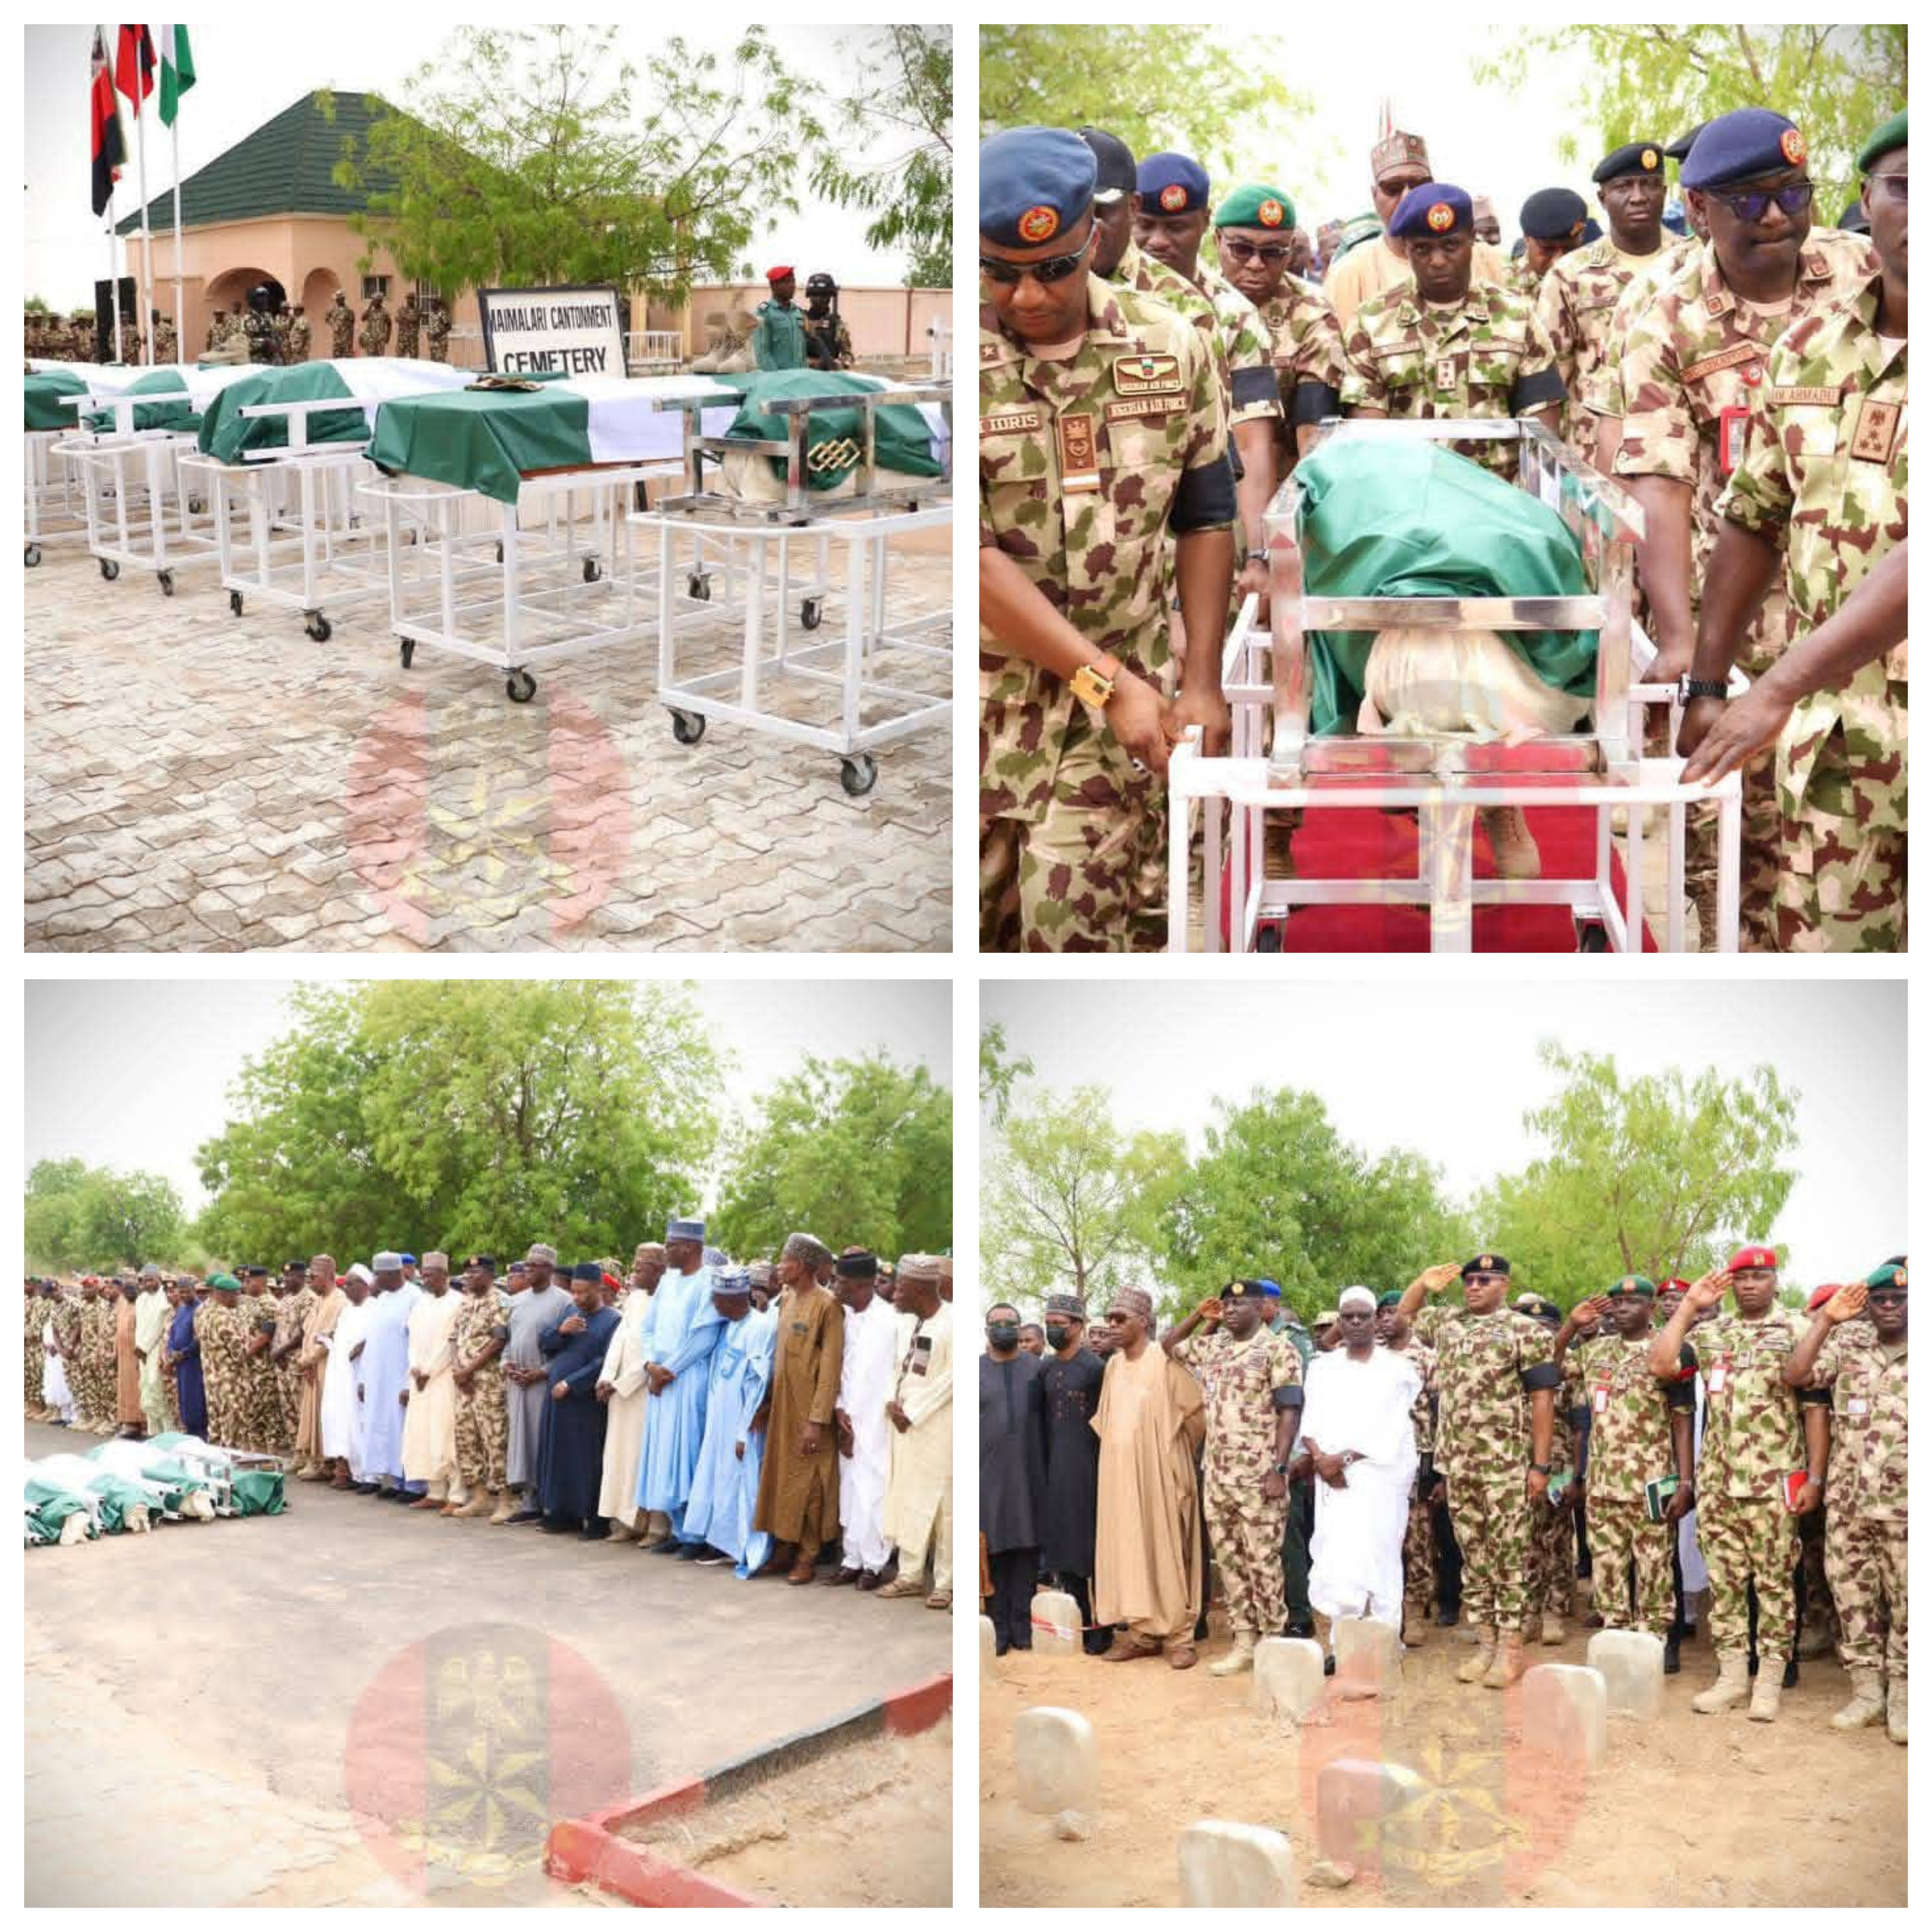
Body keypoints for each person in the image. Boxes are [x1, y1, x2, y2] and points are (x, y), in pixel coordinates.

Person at [1613, 108, 1879, 951]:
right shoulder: (1663, 318)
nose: (1778, 217)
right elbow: (1657, 479)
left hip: (1869, 614)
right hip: (1739, 623)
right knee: (1735, 854)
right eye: (1751, 200)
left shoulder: (1863, 270)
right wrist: (1685, 639)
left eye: (1793, 193)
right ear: (1696, 210)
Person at [978, 125, 1235, 953]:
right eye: (999, 274)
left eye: (1053, 269)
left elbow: (1205, 516)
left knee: (1079, 947)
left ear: (1094, 237)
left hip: (1118, 718)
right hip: (989, 715)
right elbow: (970, 561)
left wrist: (1200, 679)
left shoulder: (1171, 347)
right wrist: (1106, 683)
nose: (1026, 297)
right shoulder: (957, 369)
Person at [1680, 108, 1908, 953]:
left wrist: (1772, 689)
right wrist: (1707, 687)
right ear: (1867, 201)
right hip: (1837, 751)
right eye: (1902, 188)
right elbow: (1752, 517)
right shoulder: (1811, 348)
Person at [1649, 1249, 1820, 1720]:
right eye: (1741, 1278)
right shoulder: (1711, 1334)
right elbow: (1662, 1366)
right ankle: (1731, 1676)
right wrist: (1687, 1307)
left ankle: (1768, 1680)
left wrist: (1815, 1478)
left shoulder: (1796, 1330)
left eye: (1759, 1276)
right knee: (1725, 1583)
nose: (1749, 1285)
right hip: (1720, 1482)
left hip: (1773, 1481)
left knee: (1774, 1585)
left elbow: (1810, 1396)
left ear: (1774, 1281)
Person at [1397, 1256, 1560, 1688]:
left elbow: (1544, 1398)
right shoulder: (1449, 1324)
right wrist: (1422, 1283)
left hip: (1507, 1465)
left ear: (1504, 1284)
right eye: (1469, 1281)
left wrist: (1540, 1465)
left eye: (1484, 1280)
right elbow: (1403, 1318)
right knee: (1475, 1559)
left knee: (1509, 1559)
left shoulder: (1525, 1330)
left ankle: (1510, 1649)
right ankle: (1485, 1643)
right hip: (1459, 1465)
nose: (1473, 1287)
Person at [1135, 152, 1284, 616]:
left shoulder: (1233, 316)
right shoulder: (1094, 303)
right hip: (1122, 552)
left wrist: (1259, 555)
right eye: (1146, 225)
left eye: (1176, 227)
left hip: (1204, 546)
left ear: (1204, 223)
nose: (1158, 241)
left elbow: (1253, 444)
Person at [1340, 182, 1566, 478]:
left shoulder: (1517, 318)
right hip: (1407, 498)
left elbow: (1543, 434)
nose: (1437, 260)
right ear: (1406, 248)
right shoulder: (1372, 322)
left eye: (1451, 245)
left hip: (1499, 502)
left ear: (1472, 240)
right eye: (1422, 249)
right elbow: (1369, 438)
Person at [1783, 1264, 1907, 1742]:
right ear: (1868, 1305)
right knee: (1853, 1599)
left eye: (1899, 1300)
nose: (1890, 1307)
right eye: (1880, 1300)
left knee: (1909, 1605)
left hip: (1907, 1508)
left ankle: (1902, 1697)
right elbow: (1796, 1374)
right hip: (1849, 1502)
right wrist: (1825, 1321)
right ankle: (1865, 1695)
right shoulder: (1847, 1344)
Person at [1165, 1279, 1304, 1676]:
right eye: (1226, 1303)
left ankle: (1273, 1642)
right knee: (1230, 1563)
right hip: (1219, 1474)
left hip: (1260, 1477)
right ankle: (1244, 1643)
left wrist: (1280, 1469)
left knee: (1264, 1562)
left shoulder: (1280, 1350)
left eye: (1240, 1304)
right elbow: (1170, 1345)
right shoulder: (1216, 1347)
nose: (1230, 1309)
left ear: (1262, 1309)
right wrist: (1199, 1315)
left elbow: (1289, 1413)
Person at [1557, 1276, 1698, 1661]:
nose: (1621, 1309)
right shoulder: (1594, 1351)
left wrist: (1686, 1483)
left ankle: (1656, 1646)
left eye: (1632, 1302)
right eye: (1616, 1303)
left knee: (1655, 1568)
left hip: (1651, 1484)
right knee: (1607, 1568)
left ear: (1651, 1309)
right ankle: (1616, 1644)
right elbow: (1549, 1368)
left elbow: (1683, 1419)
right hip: (1604, 1486)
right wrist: (1570, 1326)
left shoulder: (1671, 1351)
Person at [1297, 1287, 1423, 1655]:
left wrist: (1344, 1460)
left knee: (1381, 1557)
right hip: (1332, 1480)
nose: (1355, 1323)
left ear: (1375, 1321)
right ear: (1339, 1322)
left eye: (1363, 1316)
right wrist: (1322, 1460)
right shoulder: (1323, 1369)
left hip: (1378, 1477)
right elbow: (1311, 1423)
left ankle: (1385, 1643)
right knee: (1340, 1560)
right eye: (1348, 1317)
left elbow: (1391, 1429)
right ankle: (1343, 1645)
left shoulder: (1397, 1369)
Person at [1086, 1285, 1207, 1666]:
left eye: (1121, 1319)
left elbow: (1196, 1416)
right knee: (1129, 1550)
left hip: (1161, 1471)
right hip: (1120, 1475)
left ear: (1145, 1322)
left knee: (1167, 1548)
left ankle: (1178, 1637)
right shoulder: (1113, 1366)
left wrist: (1174, 1461)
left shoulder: (1166, 1360)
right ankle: (1141, 1633)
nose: (1113, 1326)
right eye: (1110, 1319)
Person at [1534, 140, 1671, 466]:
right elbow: (1550, 380)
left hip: (1677, 449)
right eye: (1624, 187)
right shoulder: (1570, 275)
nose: (1638, 196)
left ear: (1665, 193)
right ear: (1602, 198)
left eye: (1650, 185)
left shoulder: (1693, 264)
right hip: (1596, 454)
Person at [1212, 182, 1348, 477]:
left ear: (1289, 254)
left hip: (1281, 484)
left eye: (1273, 253)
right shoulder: (1189, 303)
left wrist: (1294, 506)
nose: (1256, 264)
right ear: (1217, 241)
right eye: (1242, 249)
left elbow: (1315, 432)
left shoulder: (1313, 312)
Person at [1323, 129, 1515, 327]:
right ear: (1374, 196)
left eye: (1418, 185)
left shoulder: (1490, 261)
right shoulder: (1349, 274)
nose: (1407, 196)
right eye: (1393, 188)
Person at [752, 1232, 845, 1581]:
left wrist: (817, 1420)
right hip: (782, 1409)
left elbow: (831, 1367)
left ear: (803, 1266)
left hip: (810, 1412)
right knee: (779, 1478)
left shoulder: (828, 1305)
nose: (779, 1267)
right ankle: (784, 1548)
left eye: (785, 1261)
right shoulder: (787, 1299)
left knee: (810, 1484)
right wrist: (767, 1403)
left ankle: (807, 1556)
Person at [682, 1269, 779, 1576]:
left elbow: (758, 1383)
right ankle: (717, 1541)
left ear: (734, 1298)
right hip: (720, 1417)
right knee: (717, 1480)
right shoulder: (728, 1326)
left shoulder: (762, 1327)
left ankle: (738, 1547)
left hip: (742, 1422)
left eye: (717, 1298)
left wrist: (743, 1430)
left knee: (739, 1483)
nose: (713, 1303)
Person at [637, 1218, 724, 1550]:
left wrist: (666, 1370)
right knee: (663, 1455)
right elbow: (648, 1329)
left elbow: (703, 1337)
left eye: (671, 1245)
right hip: (661, 1379)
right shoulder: (669, 1282)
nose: (666, 1251)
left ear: (691, 1248)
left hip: (687, 1379)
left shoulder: (709, 1282)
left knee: (687, 1453)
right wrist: (650, 1365)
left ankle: (695, 1534)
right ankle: (677, 1530)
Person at [879, 1254, 954, 1606]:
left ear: (921, 1290)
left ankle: (946, 1583)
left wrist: (913, 1411)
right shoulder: (908, 1323)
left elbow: (952, 1380)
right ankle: (909, 1575)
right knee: (909, 1498)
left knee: (944, 1507)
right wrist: (890, 1403)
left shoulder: (953, 1323)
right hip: (904, 1428)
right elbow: (898, 1369)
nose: (894, 1293)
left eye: (901, 1288)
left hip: (937, 1429)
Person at [1038, 1293, 1109, 1653]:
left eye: (1060, 1324)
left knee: (1093, 1551)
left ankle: (1103, 1626)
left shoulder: (1096, 1369)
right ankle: (1078, 1624)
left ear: (1079, 1326)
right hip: (1056, 1472)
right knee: (1064, 1550)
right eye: (1049, 1322)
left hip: (1091, 1471)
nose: (1053, 1329)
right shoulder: (1046, 1370)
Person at [533, 1264, 622, 1538]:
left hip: (586, 1402)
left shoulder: (613, 1320)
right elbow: (545, 1344)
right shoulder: (571, 1313)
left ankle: (595, 1520)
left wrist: (571, 1383)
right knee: (558, 1457)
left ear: (599, 1289)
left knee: (586, 1459)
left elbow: (605, 1362)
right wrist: (561, 1331)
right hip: (558, 1402)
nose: (578, 1297)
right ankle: (563, 1514)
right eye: (574, 1291)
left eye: (583, 1292)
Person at [981, 1300, 1049, 1653]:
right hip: (987, 1478)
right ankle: (999, 1628)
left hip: (1029, 1474)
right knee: (993, 1551)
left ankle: (1023, 1626)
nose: (1003, 1328)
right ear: (986, 1330)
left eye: (1010, 1323)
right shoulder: (974, 1370)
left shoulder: (1037, 1369)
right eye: (997, 1323)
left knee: (1025, 1550)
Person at [1374, 1290, 1441, 1646]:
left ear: (1410, 1316)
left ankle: (1415, 1610)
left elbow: (1440, 1410)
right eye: (1381, 1314)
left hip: (1417, 1458)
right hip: (1376, 1460)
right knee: (1382, 1537)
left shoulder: (1427, 1357)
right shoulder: (1372, 1356)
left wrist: (1437, 1467)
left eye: (1392, 1312)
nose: (1386, 1319)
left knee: (1417, 1539)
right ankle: (1387, 1610)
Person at [830, 1249, 898, 1588]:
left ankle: (875, 1564)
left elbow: (891, 1375)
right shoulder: (842, 1315)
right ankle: (852, 1559)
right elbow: (842, 1370)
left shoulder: (890, 1320)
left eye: (841, 1282)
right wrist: (840, 1408)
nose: (836, 1287)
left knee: (875, 1489)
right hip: (846, 1416)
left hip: (877, 1422)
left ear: (861, 1284)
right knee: (850, 1489)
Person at [502, 1243, 572, 1524]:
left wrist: (543, 1372)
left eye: (534, 1266)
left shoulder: (565, 1301)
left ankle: (548, 1503)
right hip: (517, 1383)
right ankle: (529, 1503)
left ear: (549, 1269)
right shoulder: (517, 1301)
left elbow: (570, 1349)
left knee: (541, 1442)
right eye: (527, 1265)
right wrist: (506, 1364)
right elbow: (509, 1340)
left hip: (543, 1383)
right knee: (520, 1443)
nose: (527, 1270)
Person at [593, 1247, 657, 1541]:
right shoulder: (634, 1298)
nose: (634, 1273)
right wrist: (607, 1377)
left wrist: (623, 1383)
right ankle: (624, 1521)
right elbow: (620, 1339)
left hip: (644, 1391)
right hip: (619, 1391)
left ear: (658, 1269)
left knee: (638, 1457)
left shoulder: (665, 1301)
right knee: (619, 1457)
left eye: (640, 1268)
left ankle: (646, 1523)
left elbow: (654, 1351)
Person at [447, 1257, 511, 1519]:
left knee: (495, 1440)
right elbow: (453, 1339)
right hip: (464, 1383)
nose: (469, 1277)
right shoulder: (466, 1302)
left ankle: (507, 1500)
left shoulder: (499, 1300)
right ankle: (480, 1497)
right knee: (466, 1437)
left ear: (489, 1275)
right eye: (467, 1273)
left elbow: (498, 1341)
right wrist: (457, 1371)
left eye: (475, 1272)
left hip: (488, 1382)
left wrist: (468, 1370)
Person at [401, 1253, 464, 1512]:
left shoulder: (458, 1302)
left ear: (444, 1275)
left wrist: (430, 1370)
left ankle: (457, 1495)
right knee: (423, 1435)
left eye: (430, 1275)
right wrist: (416, 1368)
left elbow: (452, 1343)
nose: (425, 1279)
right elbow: (412, 1340)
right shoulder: (421, 1304)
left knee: (446, 1435)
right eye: (424, 1275)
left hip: (443, 1379)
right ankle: (435, 1492)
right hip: (420, 1380)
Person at [359, 1252, 423, 1501]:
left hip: (401, 1378)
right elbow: (372, 1341)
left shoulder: (414, 1298)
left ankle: (414, 1486)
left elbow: (417, 1343)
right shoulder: (381, 1299)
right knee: (384, 1429)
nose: (376, 1279)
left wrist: (409, 1383)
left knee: (404, 1430)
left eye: (379, 1274)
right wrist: (363, 1379)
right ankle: (395, 1482)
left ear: (394, 1273)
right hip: (378, 1378)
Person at [320, 1264, 375, 1490]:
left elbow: (375, 1338)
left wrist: (363, 1346)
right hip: (340, 1374)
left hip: (362, 1375)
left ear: (364, 1285)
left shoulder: (374, 1308)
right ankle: (344, 1470)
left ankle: (364, 1474)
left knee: (359, 1423)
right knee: (338, 1419)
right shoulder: (347, 1311)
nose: (346, 1289)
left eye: (351, 1284)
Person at [292, 1256, 343, 1481]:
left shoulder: (339, 1301)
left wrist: (310, 1359)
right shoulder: (319, 1300)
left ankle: (326, 1461)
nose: (311, 1281)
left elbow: (328, 1336)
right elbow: (308, 1332)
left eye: (315, 1277)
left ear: (329, 1276)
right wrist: (305, 1359)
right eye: (310, 1276)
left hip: (326, 1366)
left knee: (325, 1413)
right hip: (311, 1365)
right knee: (312, 1412)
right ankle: (315, 1459)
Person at [269, 1261, 316, 1459]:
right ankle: (297, 1454)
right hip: (283, 1363)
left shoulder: (309, 1299)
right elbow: (280, 1330)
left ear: (301, 1277)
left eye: (289, 1277)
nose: (285, 1281)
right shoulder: (286, 1300)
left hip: (298, 1362)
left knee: (300, 1408)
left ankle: (308, 1454)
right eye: (284, 1277)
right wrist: (277, 1353)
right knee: (287, 1409)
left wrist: (281, 1352)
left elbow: (305, 1333)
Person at [1516, 188, 1591, 288]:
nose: (1558, 261)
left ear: (1582, 236)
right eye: (1547, 249)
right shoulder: (1502, 284)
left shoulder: (1602, 277)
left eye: (1569, 249)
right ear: (1527, 239)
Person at [133, 1266, 171, 1439]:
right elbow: (139, 1327)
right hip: (142, 1351)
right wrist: (139, 1349)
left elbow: (159, 1326)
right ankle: (153, 1433)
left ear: (159, 1279)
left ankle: (168, 1434)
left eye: (151, 1280)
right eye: (145, 1280)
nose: (147, 1284)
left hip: (156, 1349)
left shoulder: (165, 1298)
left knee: (158, 1390)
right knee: (146, 1389)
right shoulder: (141, 1299)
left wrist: (144, 1348)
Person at [752, 267, 807, 370]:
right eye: (787, 282)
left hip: (800, 377)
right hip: (778, 381)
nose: (792, 285)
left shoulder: (798, 313)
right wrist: (777, 379)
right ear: (774, 286)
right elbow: (762, 353)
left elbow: (803, 351)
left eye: (793, 281)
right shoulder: (764, 313)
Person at [802, 273, 855, 369]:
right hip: (805, 375)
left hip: (830, 376)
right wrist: (812, 363)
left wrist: (838, 364)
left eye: (823, 296)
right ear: (809, 297)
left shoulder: (838, 325)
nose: (818, 299)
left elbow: (848, 356)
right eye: (815, 295)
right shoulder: (801, 321)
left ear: (830, 297)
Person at [358, 292, 392, 358]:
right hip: (370, 340)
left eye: (376, 300)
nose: (374, 301)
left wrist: (388, 337)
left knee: (380, 360)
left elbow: (389, 324)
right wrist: (369, 307)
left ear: (381, 301)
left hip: (381, 340)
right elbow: (363, 319)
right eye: (373, 300)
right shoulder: (369, 310)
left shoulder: (385, 312)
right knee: (371, 360)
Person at [326, 292, 354, 359]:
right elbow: (327, 318)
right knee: (336, 358)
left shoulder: (349, 311)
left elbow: (352, 324)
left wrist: (350, 339)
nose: (338, 301)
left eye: (339, 299)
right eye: (337, 300)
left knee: (347, 359)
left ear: (343, 299)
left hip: (346, 340)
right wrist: (333, 324)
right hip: (337, 339)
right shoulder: (333, 310)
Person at [423, 297, 451, 363]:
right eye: (431, 303)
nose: (431, 304)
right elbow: (432, 326)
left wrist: (438, 334)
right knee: (433, 362)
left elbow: (449, 327)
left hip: (441, 341)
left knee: (440, 361)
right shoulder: (431, 314)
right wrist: (429, 333)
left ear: (437, 304)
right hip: (433, 342)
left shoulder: (442, 313)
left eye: (433, 303)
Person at [394, 292, 422, 359]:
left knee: (414, 359)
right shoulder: (402, 309)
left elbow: (415, 319)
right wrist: (406, 319)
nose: (410, 300)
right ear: (406, 299)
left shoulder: (417, 310)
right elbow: (397, 319)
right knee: (400, 358)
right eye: (409, 298)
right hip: (402, 338)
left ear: (414, 300)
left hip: (413, 338)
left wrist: (404, 318)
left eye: (412, 299)